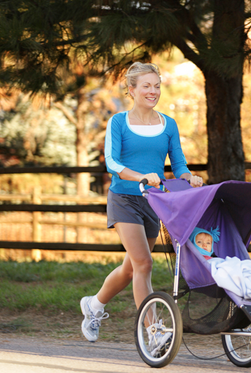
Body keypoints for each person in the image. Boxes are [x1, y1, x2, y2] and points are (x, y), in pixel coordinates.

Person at [80, 62, 203, 354]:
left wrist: (188, 176)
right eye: (146, 86)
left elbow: (179, 163)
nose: (153, 91)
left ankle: (94, 304)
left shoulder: (168, 124)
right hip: (124, 199)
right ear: (132, 89)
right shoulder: (119, 122)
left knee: (130, 268)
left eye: (157, 86)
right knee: (144, 264)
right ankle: (154, 331)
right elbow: (112, 163)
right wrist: (141, 176)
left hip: (154, 202)